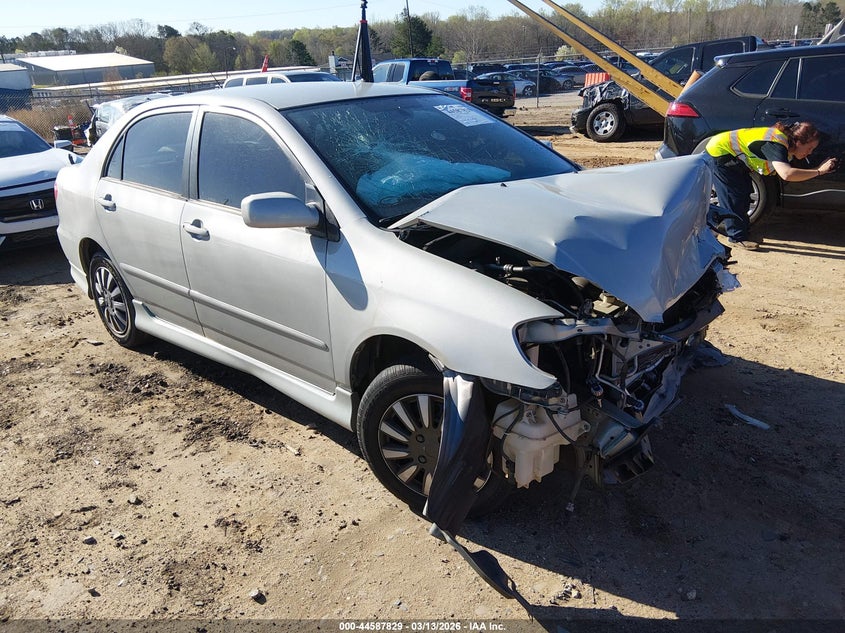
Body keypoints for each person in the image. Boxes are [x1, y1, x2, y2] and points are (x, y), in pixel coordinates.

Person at [704, 121, 838, 250]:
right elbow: (787, 174)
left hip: (735, 156)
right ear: (798, 141)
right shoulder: (777, 144)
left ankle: (741, 232)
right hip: (721, 153)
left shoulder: (784, 144)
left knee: (744, 194)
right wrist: (819, 171)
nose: (810, 153)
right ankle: (736, 237)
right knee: (734, 197)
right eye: (809, 148)